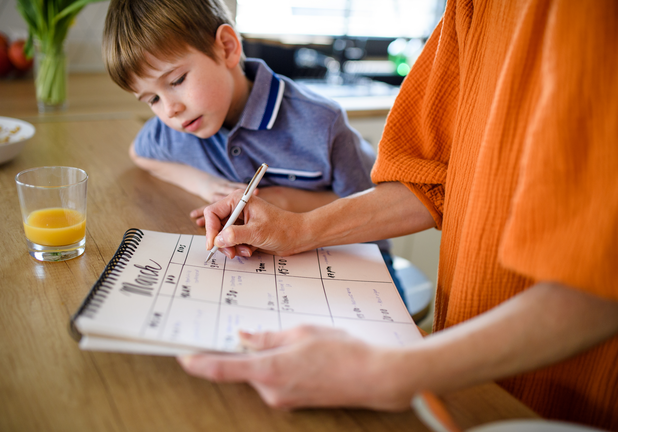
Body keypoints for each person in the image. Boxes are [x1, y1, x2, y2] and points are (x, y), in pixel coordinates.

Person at [178, 0, 618, 430]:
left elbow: (608, 279)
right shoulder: (470, 8)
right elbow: (428, 181)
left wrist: (389, 372)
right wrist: (300, 229)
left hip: (581, 389)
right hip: (465, 362)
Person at [102, 0, 407, 302]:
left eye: (177, 80)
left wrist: (283, 200)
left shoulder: (320, 122)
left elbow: (372, 210)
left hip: (354, 265)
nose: (170, 110)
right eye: (152, 99)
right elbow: (139, 153)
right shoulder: (180, 125)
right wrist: (202, 184)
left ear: (227, 48)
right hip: (266, 278)